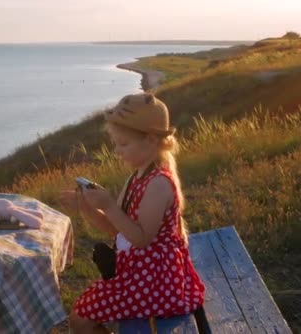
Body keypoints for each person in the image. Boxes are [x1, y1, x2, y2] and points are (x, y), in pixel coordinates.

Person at [59, 93, 206, 333]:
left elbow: (141, 238)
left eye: (123, 144)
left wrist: (108, 205)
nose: (117, 150)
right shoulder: (137, 175)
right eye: (116, 143)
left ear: (150, 140)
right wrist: (84, 206)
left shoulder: (159, 183)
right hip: (139, 275)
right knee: (80, 316)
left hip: (156, 283)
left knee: (80, 318)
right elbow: (116, 228)